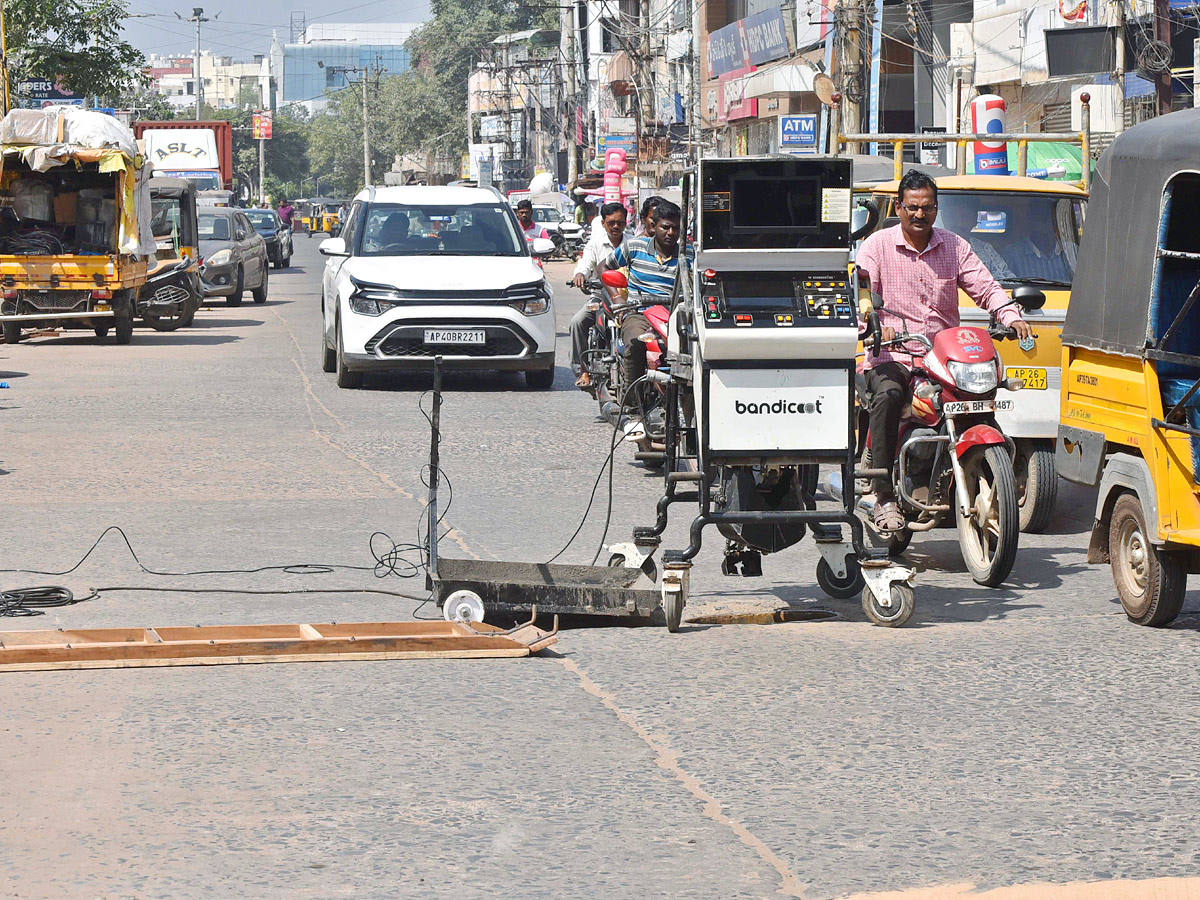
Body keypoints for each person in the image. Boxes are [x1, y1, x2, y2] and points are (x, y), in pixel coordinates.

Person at [856, 170, 1033, 533]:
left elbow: (985, 286)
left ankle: (981, 470)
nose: (920, 215)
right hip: (894, 354)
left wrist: (1009, 315)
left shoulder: (954, 246)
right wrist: (872, 323)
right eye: (912, 208)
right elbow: (860, 297)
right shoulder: (875, 247)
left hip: (942, 358)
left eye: (928, 208)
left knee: (980, 398)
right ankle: (883, 493)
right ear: (899, 208)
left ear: (937, 209)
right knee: (889, 395)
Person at [596, 199, 687, 407]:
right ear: (654, 226)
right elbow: (604, 267)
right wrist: (617, 297)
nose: (670, 233)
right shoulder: (634, 247)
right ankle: (632, 404)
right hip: (639, 313)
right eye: (665, 227)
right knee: (636, 343)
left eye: (675, 228)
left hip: (674, 315)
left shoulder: (687, 255)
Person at [568, 201, 628, 389]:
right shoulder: (595, 245)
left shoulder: (633, 243)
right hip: (600, 298)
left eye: (620, 222)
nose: (616, 226)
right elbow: (585, 265)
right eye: (611, 223)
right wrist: (580, 275)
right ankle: (583, 370)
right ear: (603, 224)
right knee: (577, 322)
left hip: (629, 300)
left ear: (626, 223)